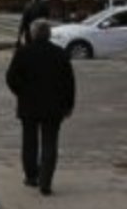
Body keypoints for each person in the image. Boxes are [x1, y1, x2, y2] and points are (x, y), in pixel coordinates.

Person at [6, 20, 76, 196]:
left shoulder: (23, 53)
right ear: (49, 34)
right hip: (54, 107)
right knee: (50, 143)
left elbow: (11, 78)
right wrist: (68, 104)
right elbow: (69, 83)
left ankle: (31, 176)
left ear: (32, 34)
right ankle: (46, 181)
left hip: (29, 105)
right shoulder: (60, 54)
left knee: (29, 142)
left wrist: (21, 92)